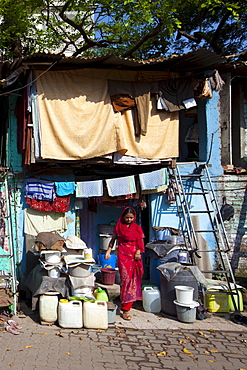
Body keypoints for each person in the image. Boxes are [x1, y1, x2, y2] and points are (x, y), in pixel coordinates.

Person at [105, 207, 145, 321]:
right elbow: (113, 240)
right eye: (127, 217)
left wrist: (138, 252)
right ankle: (125, 303)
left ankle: (127, 308)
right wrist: (108, 251)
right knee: (125, 280)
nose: (129, 220)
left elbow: (140, 242)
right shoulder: (119, 227)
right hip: (123, 256)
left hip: (134, 257)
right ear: (123, 217)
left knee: (134, 280)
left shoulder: (137, 228)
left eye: (131, 218)